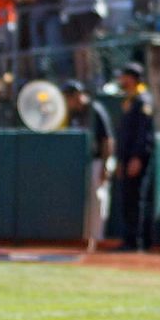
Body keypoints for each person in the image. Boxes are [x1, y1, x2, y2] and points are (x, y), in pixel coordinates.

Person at [63, 81, 114, 255]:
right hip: (80, 163)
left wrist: (106, 165)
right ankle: (84, 240)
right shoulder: (73, 113)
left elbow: (108, 140)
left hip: (98, 160)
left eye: (68, 97)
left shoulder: (95, 110)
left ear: (76, 95)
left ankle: (97, 241)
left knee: (98, 199)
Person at [114, 62, 156, 251]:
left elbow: (143, 133)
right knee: (129, 199)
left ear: (131, 78)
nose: (121, 80)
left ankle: (138, 242)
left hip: (137, 158)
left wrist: (137, 157)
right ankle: (129, 239)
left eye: (124, 76)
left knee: (137, 199)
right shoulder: (130, 99)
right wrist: (121, 159)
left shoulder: (143, 100)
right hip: (126, 157)